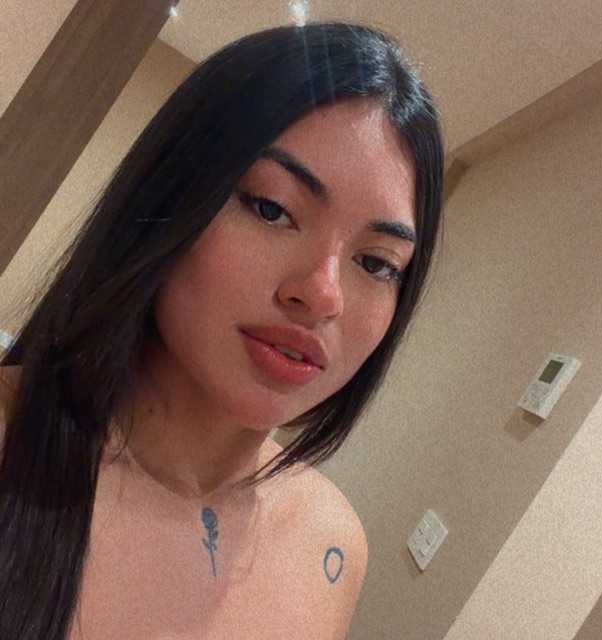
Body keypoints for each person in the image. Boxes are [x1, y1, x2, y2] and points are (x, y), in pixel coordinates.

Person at [0, 20, 444, 640]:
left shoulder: (330, 544)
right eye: (271, 208)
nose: (323, 294)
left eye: (376, 263)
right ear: (168, 197)